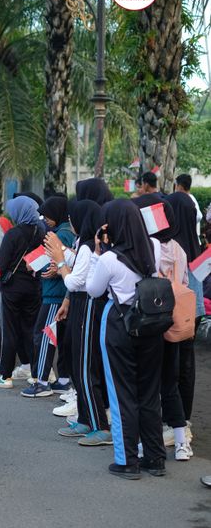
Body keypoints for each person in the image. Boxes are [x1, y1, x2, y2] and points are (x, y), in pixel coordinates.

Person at [86, 199, 166, 480]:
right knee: (149, 393)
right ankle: (155, 457)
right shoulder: (154, 247)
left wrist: (97, 252)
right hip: (151, 324)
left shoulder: (109, 259)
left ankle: (127, 460)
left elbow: (93, 290)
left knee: (122, 394)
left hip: (119, 325)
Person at [45, 200, 112, 444]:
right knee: (79, 365)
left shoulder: (87, 247)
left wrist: (60, 261)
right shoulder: (87, 245)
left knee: (85, 368)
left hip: (88, 306)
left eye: (73, 218)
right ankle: (85, 419)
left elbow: (74, 282)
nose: (70, 222)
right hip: (82, 305)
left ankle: (100, 426)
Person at [132, 194, 192, 461]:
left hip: (152, 321)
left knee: (148, 385)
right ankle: (181, 443)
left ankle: (147, 443)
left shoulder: (149, 246)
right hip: (175, 322)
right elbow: (184, 280)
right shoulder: (179, 248)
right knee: (170, 385)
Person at [21, 196, 75, 398]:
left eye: (47, 215)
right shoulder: (66, 232)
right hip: (61, 294)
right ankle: (63, 380)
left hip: (54, 295)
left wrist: (41, 266)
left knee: (45, 336)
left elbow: (49, 261)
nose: (45, 219)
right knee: (60, 338)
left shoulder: (60, 235)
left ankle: (42, 382)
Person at [0, 196, 44, 389]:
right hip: (34, 287)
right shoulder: (41, 232)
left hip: (12, 288)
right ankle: (36, 374)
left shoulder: (13, 234)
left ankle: (6, 376)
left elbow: (2, 265)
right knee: (31, 330)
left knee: (10, 331)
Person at [166, 192, 205, 427]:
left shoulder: (172, 247)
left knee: (171, 366)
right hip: (195, 312)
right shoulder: (196, 247)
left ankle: (174, 421)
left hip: (174, 313)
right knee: (187, 365)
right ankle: (184, 420)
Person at [175, 174, 202, 240]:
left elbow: (199, 216)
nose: (175, 188)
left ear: (180, 186)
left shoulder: (189, 198)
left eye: (176, 185)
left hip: (188, 238)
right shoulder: (190, 198)